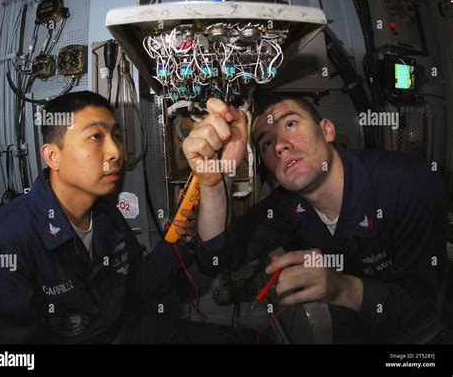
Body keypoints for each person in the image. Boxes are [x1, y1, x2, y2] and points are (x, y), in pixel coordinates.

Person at [183, 94, 449, 343]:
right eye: (266, 142)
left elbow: (424, 308)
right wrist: (216, 182)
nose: (280, 145)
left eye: (291, 124)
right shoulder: (288, 205)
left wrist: (342, 288)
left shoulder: (410, 183)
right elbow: (217, 258)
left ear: (327, 130)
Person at [0, 91, 206, 344]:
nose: (116, 152)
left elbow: (138, 285)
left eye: (117, 137)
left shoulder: (105, 213)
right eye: (96, 136)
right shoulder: (7, 239)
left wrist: (178, 237)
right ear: (53, 156)